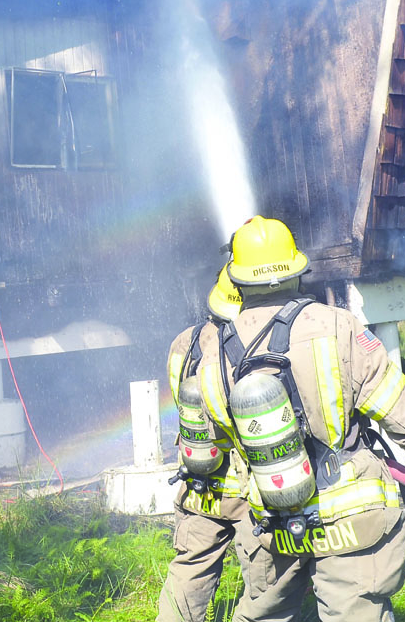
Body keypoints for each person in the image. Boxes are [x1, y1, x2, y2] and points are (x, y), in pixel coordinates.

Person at [196, 216, 405, 622]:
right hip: (349, 518)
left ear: (236, 279)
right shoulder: (337, 326)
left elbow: (218, 443)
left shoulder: (211, 350)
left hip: (272, 521)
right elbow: (401, 414)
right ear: (296, 270)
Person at [159, 265, 294, 622]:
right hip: (247, 489)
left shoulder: (184, 343)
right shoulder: (253, 346)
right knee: (266, 583)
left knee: (189, 568)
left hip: (198, 480)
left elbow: (181, 400)